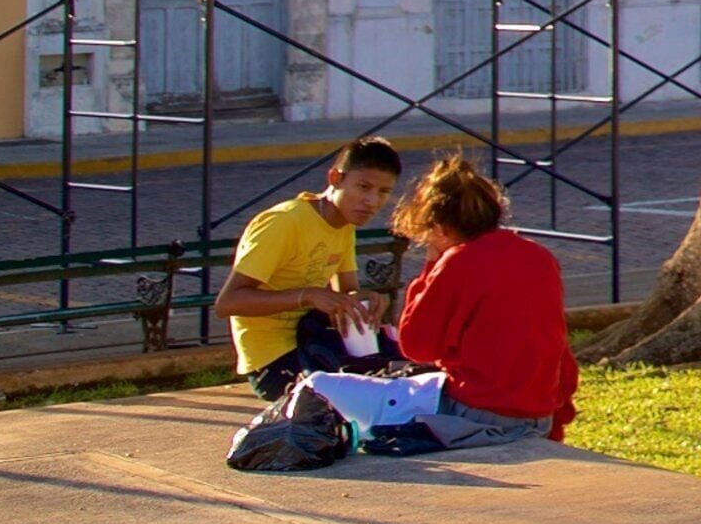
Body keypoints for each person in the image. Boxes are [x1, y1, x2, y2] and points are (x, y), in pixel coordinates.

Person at [382, 156, 579, 450]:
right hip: (539, 412)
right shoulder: (538, 256)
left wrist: (429, 269)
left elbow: (417, 345)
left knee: (363, 401)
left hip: (479, 410)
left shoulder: (457, 261)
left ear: (439, 227)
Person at [221, 138, 408, 396]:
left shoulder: (344, 224)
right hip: (274, 361)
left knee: (406, 372)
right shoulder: (284, 222)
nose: (371, 201)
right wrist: (307, 296)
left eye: (383, 192)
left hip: (317, 340)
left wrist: (366, 301)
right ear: (335, 178)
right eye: (363, 187)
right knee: (371, 393)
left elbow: (347, 294)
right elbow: (228, 302)